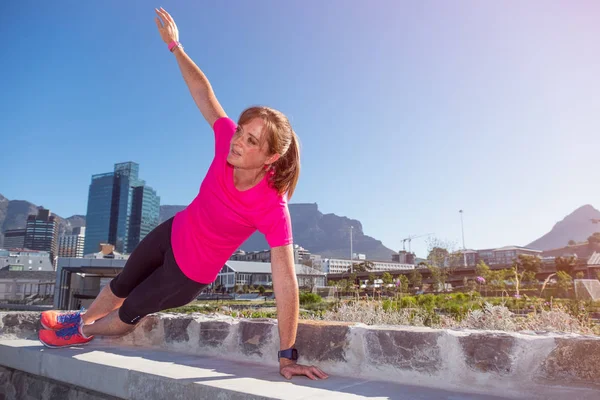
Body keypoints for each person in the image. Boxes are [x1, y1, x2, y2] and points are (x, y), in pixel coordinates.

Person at [38, 7, 328, 381]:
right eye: (241, 130)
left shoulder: (272, 207)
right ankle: (83, 316)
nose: (238, 140)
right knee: (122, 282)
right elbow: (204, 95)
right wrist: (175, 46)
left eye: (250, 140)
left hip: (188, 274)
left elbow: (285, 282)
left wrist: (287, 356)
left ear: (270, 157)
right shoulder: (227, 142)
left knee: (129, 313)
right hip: (173, 232)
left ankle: (81, 331)